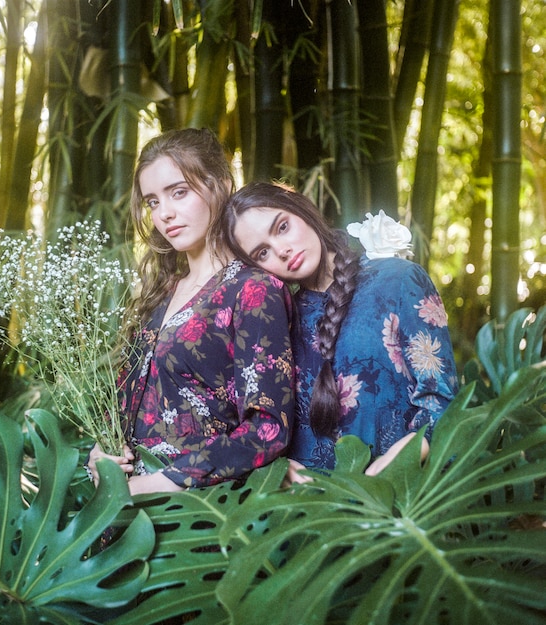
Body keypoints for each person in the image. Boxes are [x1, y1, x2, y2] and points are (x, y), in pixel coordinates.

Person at [86, 130, 295, 495]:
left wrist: (158, 483)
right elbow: (129, 400)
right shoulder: (161, 293)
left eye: (178, 192)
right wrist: (101, 451)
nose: (164, 214)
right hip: (125, 512)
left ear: (221, 185)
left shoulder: (253, 290)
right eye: (152, 202)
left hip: (200, 513)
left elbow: (267, 430)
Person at [223, 181, 458, 481]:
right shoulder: (277, 324)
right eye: (262, 253)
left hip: (405, 496)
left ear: (302, 209)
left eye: (282, 227)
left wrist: (399, 459)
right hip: (315, 510)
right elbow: (262, 423)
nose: (282, 251)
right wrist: (277, 465)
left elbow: (442, 399)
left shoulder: (399, 280)